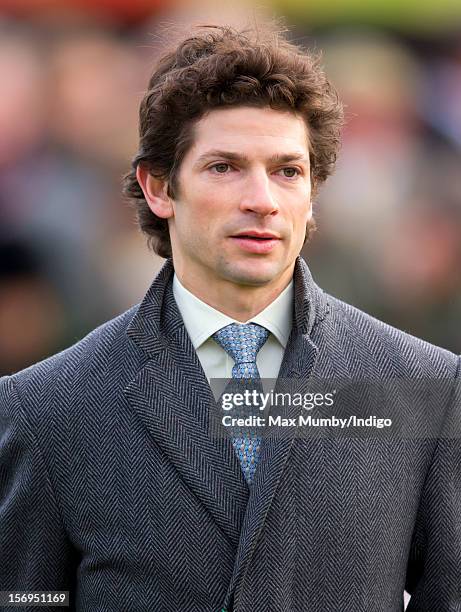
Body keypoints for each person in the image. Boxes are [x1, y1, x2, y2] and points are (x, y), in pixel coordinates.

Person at [0, 22, 459, 612]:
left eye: (287, 171)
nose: (261, 199)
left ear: (313, 192)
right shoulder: (48, 409)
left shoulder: (423, 387)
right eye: (224, 167)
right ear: (159, 187)